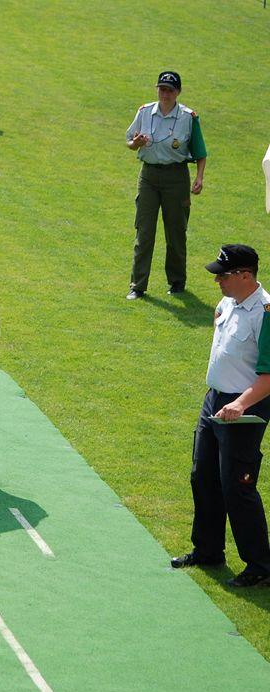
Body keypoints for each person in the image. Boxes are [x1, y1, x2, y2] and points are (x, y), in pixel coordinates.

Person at [173, 245, 270, 588]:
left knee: (237, 486)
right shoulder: (227, 303)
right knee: (203, 476)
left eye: (224, 275)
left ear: (245, 275)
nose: (218, 281)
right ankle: (208, 550)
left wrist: (240, 404)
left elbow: (269, 376)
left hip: (244, 408)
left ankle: (260, 565)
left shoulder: (265, 313)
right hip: (214, 400)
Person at [125, 71, 207, 300]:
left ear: (178, 92)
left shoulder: (188, 117)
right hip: (148, 177)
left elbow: (200, 152)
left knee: (176, 231)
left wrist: (199, 178)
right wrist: (136, 143)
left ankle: (177, 282)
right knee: (144, 232)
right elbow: (129, 141)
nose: (165, 94)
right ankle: (137, 286)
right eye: (162, 89)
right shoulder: (145, 112)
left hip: (176, 177)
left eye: (170, 90)